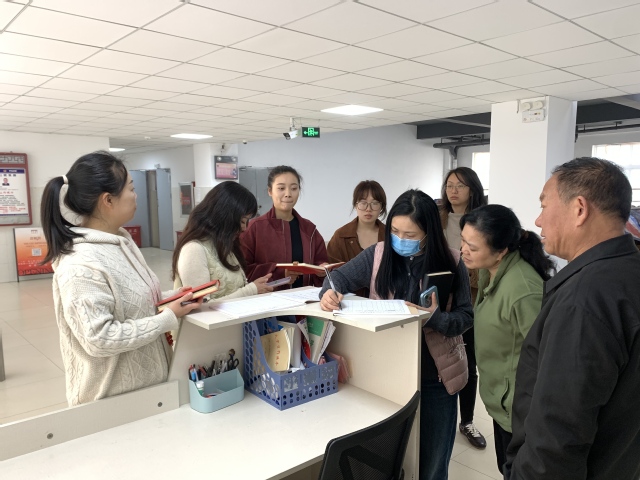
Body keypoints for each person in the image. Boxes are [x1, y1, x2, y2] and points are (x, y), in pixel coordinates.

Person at [319, 189, 473, 480]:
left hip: (435, 376)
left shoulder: (452, 262)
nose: (401, 239)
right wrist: (329, 293)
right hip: (387, 374)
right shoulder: (378, 255)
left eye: (410, 235)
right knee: (387, 459)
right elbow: (337, 278)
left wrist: (435, 318)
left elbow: (466, 317)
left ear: (429, 233)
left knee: (432, 464)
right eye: (395, 232)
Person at [504, 158, 640, 480]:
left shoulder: (585, 299)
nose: (538, 220)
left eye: (544, 205)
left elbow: (557, 437)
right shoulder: (629, 270)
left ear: (579, 209)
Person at [40, 151, 201, 407]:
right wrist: (167, 317)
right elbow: (99, 339)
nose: (135, 196)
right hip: (111, 401)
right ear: (108, 200)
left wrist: (174, 298)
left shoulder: (121, 242)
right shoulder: (80, 264)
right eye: (131, 189)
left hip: (151, 389)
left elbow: (132, 302)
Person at [459, 205, 554, 473]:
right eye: (463, 241)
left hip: (519, 409)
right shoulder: (490, 271)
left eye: (472, 247)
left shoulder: (523, 290)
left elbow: (547, 358)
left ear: (501, 250)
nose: (463, 250)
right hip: (503, 403)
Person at [439, 167, 487, 449]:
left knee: (468, 363)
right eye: (449, 185)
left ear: (473, 189)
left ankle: (467, 421)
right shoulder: (438, 217)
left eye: (460, 185)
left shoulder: (483, 220)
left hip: (471, 299)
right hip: (439, 298)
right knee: (439, 361)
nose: (453, 190)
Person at [172, 181, 273, 300]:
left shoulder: (224, 245)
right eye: (242, 221)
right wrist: (250, 290)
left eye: (247, 221)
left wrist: (254, 288)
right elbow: (200, 306)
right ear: (223, 216)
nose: (244, 228)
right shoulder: (194, 249)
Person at [240, 165, 328, 289]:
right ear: (270, 191)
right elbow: (242, 270)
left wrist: (322, 270)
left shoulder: (309, 229)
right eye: (281, 188)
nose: (288, 194)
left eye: (294, 188)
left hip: (305, 297)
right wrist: (280, 273)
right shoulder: (255, 228)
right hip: (268, 297)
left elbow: (321, 263)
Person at [326, 180, 386, 296]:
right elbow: (332, 274)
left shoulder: (390, 236)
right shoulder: (340, 236)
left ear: (381, 207)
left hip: (383, 301)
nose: (368, 209)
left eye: (374, 203)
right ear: (355, 205)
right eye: (363, 203)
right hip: (348, 300)